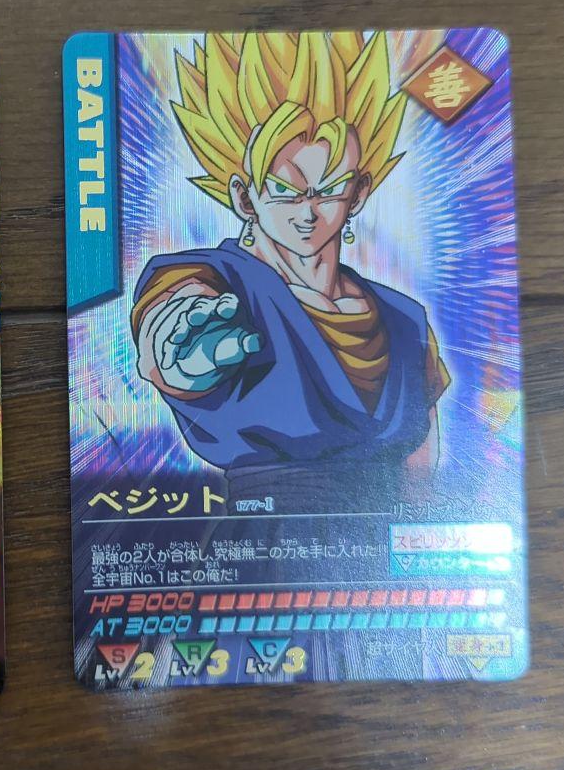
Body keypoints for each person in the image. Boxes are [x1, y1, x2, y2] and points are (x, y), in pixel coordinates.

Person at [133, 31, 449, 511]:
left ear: (359, 193)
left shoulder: (405, 320)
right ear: (245, 197)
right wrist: (177, 352)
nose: (308, 212)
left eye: (330, 189)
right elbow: (176, 308)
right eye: (284, 190)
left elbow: (422, 475)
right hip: (267, 535)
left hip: (382, 543)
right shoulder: (222, 283)